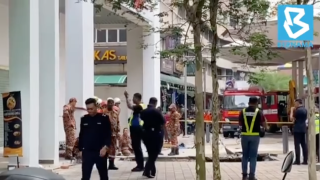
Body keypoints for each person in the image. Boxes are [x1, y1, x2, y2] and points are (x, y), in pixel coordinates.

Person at [79, 98, 111, 180]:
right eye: (88, 109)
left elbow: (108, 134)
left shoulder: (104, 118)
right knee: (85, 176)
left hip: (100, 152)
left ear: (96, 107)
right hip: (87, 152)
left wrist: (106, 147)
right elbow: (82, 135)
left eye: (91, 109)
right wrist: (79, 149)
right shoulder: (84, 119)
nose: (89, 111)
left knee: (103, 176)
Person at [238, 97, 265, 180]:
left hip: (245, 136)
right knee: (253, 156)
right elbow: (264, 124)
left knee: (245, 156)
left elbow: (240, 124)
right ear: (256, 103)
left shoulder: (242, 112)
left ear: (249, 102)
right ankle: (252, 176)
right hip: (255, 136)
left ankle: (244, 175)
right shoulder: (259, 112)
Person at [140, 98, 165, 178]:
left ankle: (152, 171)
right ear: (155, 103)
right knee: (155, 153)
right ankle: (147, 171)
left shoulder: (143, 112)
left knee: (151, 153)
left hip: (145, 134)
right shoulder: (156, 111)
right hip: (155, 134)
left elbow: (142, 119)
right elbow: (163, 122)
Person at [124, 91, 145, 171]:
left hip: (137, 129)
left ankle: (140, 165)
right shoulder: (138, 106)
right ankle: (139, 165)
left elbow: (129, 106)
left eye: (133, 98)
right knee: (136, 147)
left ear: (137, 99)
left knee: (137, 147)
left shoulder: (140, 106)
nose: (132, 99)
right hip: (135, 129)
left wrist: (127, 97)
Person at [102, 98, 120, 170]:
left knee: (113, 149)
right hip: (105, 134)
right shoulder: (103, 113)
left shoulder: (115, 113)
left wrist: (118, 130)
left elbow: (118, 122)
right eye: (109, 103)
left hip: (113, 134)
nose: (111, 104)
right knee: (105, 148)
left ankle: (111, 164)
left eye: (112, 103)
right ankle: (103, 165)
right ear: (107, 103)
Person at [292, 99, 308, 165]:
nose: (295, 104)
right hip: (303, 129)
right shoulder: (305, 110)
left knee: (297, 145)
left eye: (295, 103)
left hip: (297, 129)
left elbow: (292, 119)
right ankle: (305, 160)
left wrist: (291, 111)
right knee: (304, 145)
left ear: (298, 103)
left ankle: (297, 160)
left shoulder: (297, 110)